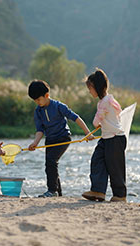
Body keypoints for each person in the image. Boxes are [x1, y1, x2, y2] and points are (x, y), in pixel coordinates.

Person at [28, 80, 94, 197]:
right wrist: (35, 143)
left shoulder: (59, 106)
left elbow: (76, 118)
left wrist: (87, 133)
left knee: (51, 161)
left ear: (47, 95)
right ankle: (58, 193)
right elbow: (40, 130)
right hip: (50, 140)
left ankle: (52, 191)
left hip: (63, 138)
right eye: (35, 101)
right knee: (50, 164)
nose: (37, 103)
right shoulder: (38, 111)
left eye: (38, 99)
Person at [82, 68, 127, 202]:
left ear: (97, 87)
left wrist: (97, 123)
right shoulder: (108, 100)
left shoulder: (105, 102)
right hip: (106, 138)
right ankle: (98, 190)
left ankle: (120, 195)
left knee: (115, 167)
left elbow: (96, 121)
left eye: (90, 88)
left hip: (115, 139)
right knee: (97, 160)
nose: (89, 91)